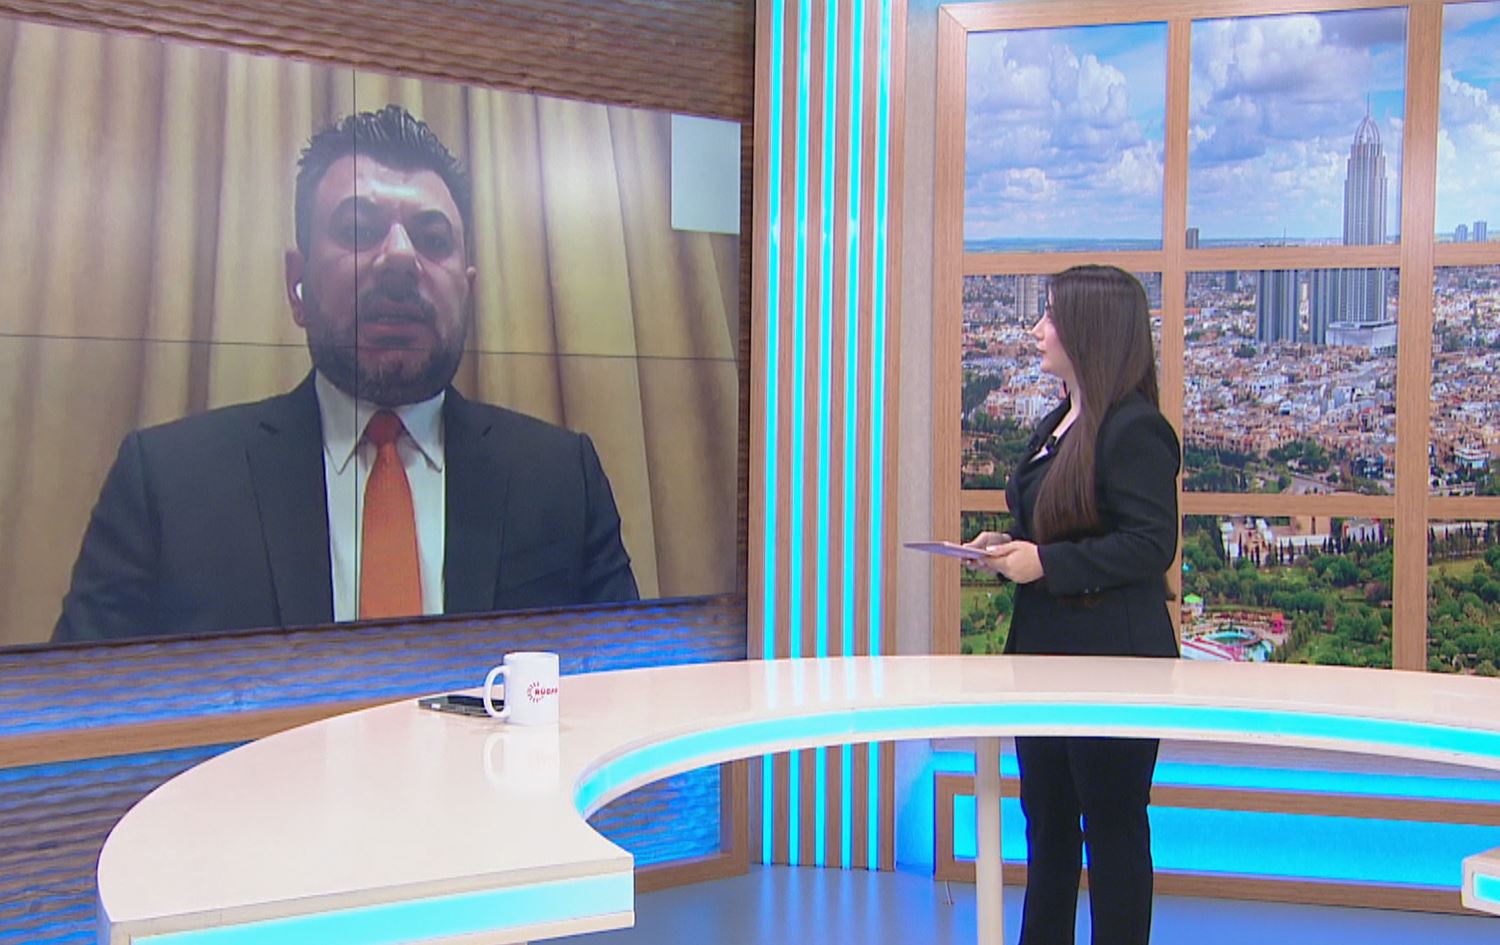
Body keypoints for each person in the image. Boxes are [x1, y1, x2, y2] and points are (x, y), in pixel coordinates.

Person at [53, 105, 638, 642]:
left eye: (433, 239)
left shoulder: (561, 479)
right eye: (359, 229)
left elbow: (628, 687)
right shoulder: (167, 483)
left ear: (468, 290)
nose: (400, 257)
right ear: (297, 285)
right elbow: (82, 709)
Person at [965, 265, 1180, 945]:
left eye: (1051, 317)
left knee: (1112, 828)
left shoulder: (1135, 429)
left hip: (1113, 662)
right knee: (1048, 824)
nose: (1037, 329)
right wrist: (1008, 546)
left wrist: (1048, 563)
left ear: (1090, 330)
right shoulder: (1060, 420)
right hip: (1044, 658)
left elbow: (1150, 543)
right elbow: (1059, 521)